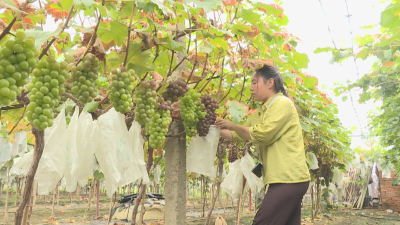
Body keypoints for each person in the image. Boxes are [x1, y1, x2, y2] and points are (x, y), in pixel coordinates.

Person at [215, 65, 310, 225]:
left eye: (254, 82)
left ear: (270, 82)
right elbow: (236, 135)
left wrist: (233, 125)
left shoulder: (282, 103)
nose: (251, 88)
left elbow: (263, 134)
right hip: (287, 180)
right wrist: (213, 128)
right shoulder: (263, 111)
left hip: (288, 179)